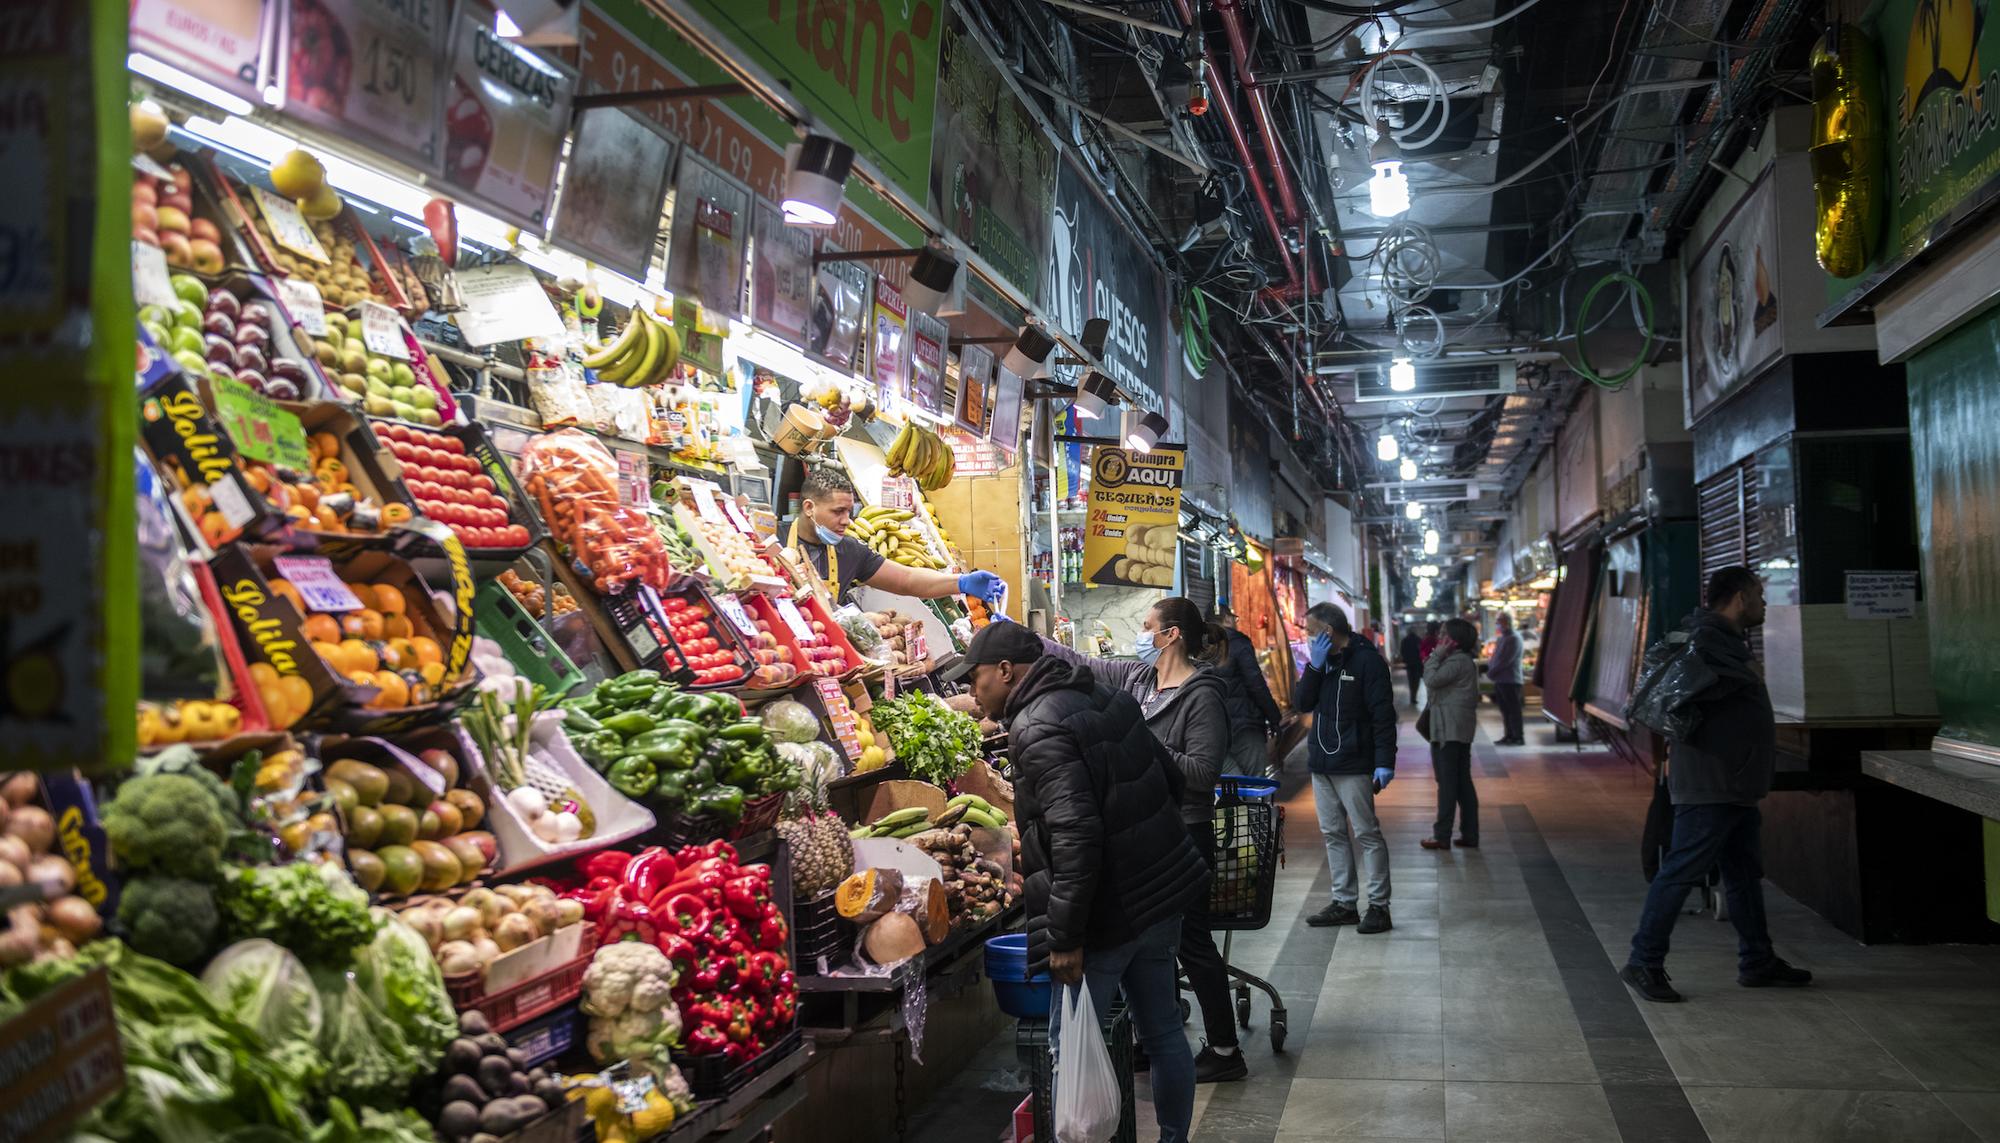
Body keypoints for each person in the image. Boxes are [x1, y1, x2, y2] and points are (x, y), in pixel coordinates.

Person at [955, 621, 1209, 1140]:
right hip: (1157, 899)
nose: (973, 693)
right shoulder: (1104, 694)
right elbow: (1172, 777)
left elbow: (1075, 834)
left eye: (976, 679)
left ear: (1005, 671)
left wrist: (1066, 938)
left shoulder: (1035, 725)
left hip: (1103, 916)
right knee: (1162, 1031)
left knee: (1066, 1044)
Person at [1038, 599, 1245, 1082]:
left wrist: (1140, 742)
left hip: (1184, 833)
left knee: (1191, 943)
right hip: (1142, 834)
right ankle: (1154, 1038)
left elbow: (1202, 772)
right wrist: (1020, 638)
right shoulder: (1139, 679)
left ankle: (1225, 1048)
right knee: (1152, 946)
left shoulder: (1203, 695)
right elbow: (1084, 663)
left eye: (1147, 627)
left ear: (1171, 635)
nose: (1141, 633)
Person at [1620, 567, 1813, 1003]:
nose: (1764, 603)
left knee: (1743, 874)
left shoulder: (1720, 643)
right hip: (1713, 782)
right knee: (1681, 871)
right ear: (1740, 596)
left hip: (1733, 782)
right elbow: (1676, 702)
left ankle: (1757, 960)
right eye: (1759, 594)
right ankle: (1644, 961)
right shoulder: (1707, 644)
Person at [1295, 603, 1397, 933]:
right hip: (1321, 763)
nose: (1307, 637)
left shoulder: (1368, 662)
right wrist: (1314, 666)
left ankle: (1379, 906)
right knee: (1333, 833)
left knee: (1367, 833)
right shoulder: (1321, 663)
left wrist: (1384, 762)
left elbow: (1383, 716)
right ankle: (1344, 902)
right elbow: (1302, 703)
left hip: (1354, 764)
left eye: (1310, 631)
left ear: (1328, 632)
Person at [784, 465, 1004, 606]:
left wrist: (962, 582)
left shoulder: (850, 550)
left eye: (848, 512)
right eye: (837, 512)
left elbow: (907, 580)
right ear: (809, 507)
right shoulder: (775, 539)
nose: (846, 521)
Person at [1419, 617, 1481, 851]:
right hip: (1455, 729)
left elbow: (1431, 680)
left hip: (1449, 730)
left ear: (1454, 640)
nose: (1439, 639)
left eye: (1444, 634)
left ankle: (1442, 835)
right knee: (1462, 783)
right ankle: (1469, 833)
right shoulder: (1462, 661)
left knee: (1447, 784)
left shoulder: (1457, 662)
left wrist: (1436, 655)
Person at [1208, 606, 1285, 777]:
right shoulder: (1238, 642)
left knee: (1229, 788)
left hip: (1213, 729)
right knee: (1253, 783)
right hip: (1244, 727)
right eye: (1234, 618)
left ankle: (1235, 805)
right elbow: (1256, 684)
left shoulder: (1201, 644)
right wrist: (1274, 717)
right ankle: (1249, 804)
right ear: (1227, 618)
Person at [1488, 612, 1525, 745]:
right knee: (1505, 710)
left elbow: (1506, 660)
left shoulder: (1514, 638)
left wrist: (1492, 671)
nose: (1497, 623)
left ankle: (1518, 736)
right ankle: (1508, 735)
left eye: (1499, 621)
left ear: (1507, 622)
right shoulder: (1503, 638)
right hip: (1501, 680)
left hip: (1510, 680)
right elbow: (1497, 657)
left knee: (1513, 710)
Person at [1397, 626, 1424, 708]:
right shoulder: (1419, 640)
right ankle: (1414, 697)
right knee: (1416, 681)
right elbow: (1421, 651)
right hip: (1417, 663)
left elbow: (1402, 651)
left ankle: (1412, 697)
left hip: (1409, 664)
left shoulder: (1405, 640)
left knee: (1411, 680)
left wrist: (1405, 659)